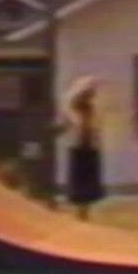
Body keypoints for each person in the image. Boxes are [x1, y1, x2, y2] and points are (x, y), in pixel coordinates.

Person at [58, 76, 107, 220]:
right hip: (77, 148)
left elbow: (97, 127)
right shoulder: (71, 110)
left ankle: (85, 211)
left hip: (91, 148)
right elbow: (65, 125)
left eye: (90, 93)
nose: (89, 96)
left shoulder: (94, 109)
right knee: (78, 179)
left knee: (89, 181)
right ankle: (80, 212)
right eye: (86, 93)